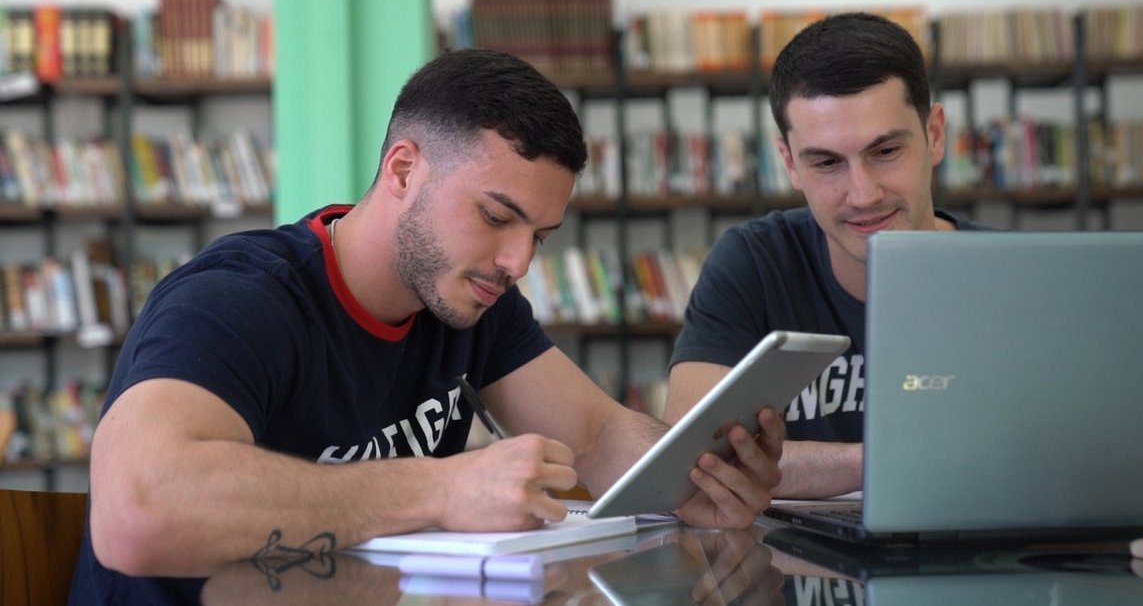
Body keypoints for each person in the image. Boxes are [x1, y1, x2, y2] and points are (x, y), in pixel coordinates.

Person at [70, 48, 785, 604]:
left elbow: (597, 437)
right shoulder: (238, 300)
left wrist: (695, 475)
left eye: (540, 236)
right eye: (497, 216)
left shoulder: (473, 299)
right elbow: (136, 513)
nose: (517, 262)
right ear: (404, 170)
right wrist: (439, 489)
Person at [664, 13, 987, 499]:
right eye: (827, 162)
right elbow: (690, 460)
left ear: (935, 135)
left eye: (885, 151)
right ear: (790, 164)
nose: (863, 194)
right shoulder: (754, 263)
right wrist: (880, 462)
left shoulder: (1012, 275)